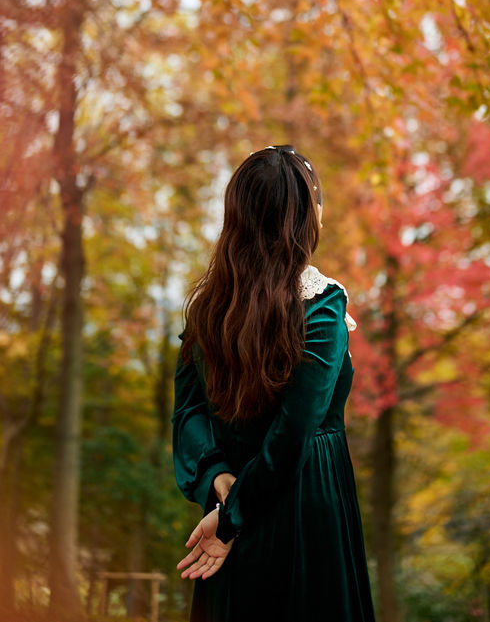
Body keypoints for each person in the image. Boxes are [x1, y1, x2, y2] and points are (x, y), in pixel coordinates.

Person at [171, 145, 376, 622]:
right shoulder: (322, 305)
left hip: (230, 503)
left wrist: (219, 482)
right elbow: (292, 435)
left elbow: (189, 414)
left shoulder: (208, 306)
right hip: (306, 501)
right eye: (316, 201)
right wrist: (229, 517)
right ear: (303, 217)